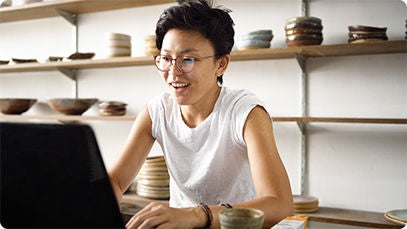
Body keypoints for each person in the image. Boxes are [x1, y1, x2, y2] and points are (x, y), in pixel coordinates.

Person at [108, 0, 293, 228]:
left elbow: (280, 204)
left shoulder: (246, 112)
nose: (173, 73)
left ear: (221, 64)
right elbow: (115, 180)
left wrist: (196, 215)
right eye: (166, 59)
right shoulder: (156, 111)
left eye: (188, 60)